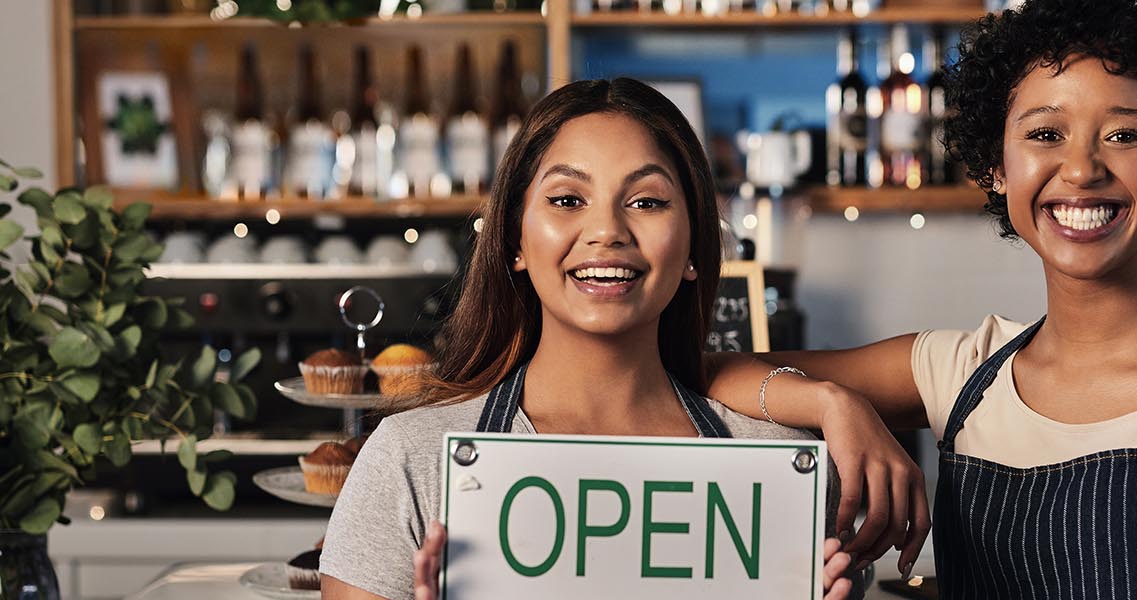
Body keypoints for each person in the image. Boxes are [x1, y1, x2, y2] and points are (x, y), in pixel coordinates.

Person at [707, 0, 1137, 597]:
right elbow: (702, 372)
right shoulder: (957, 375)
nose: (1081, 169)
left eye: (1125, 136)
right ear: (995, 164)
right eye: (1045, 134)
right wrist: (831, 402)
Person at [319, 78, 878, 600]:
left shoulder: (784, 469)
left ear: (692, 247)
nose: (608, 230)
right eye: (567, 200)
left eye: (647, 201)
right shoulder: (409, 462)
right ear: (514, 239)